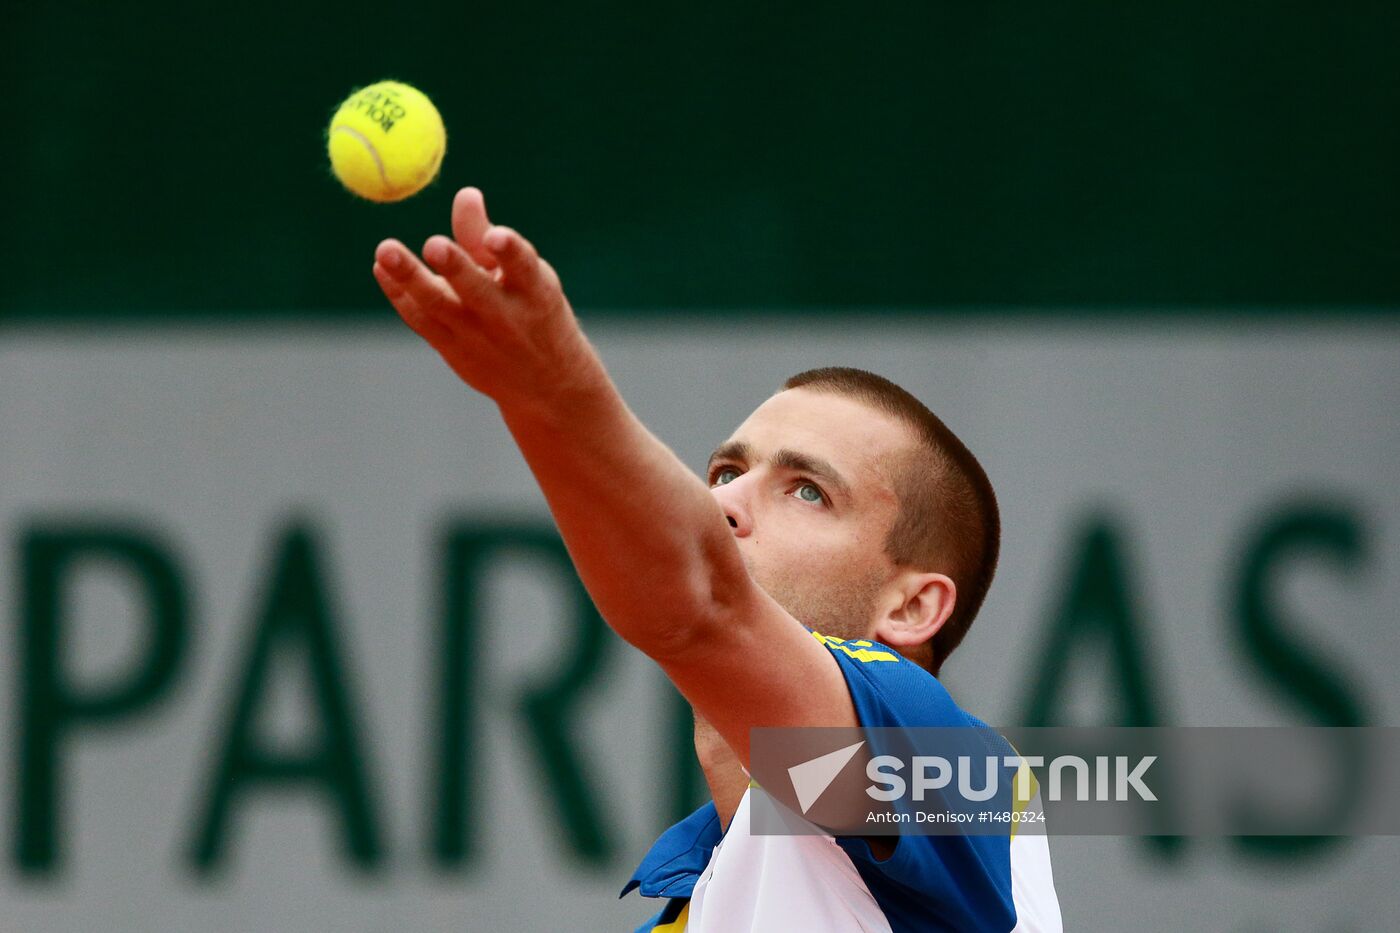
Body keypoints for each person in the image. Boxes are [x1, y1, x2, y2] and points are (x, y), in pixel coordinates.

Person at [372, 187, 1062, 932]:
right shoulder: (683, 906)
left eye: (807, 491)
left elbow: (700, 609)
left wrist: (549, 389)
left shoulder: (951, 765)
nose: (723, 504)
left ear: (912, 606)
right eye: (727, 473)